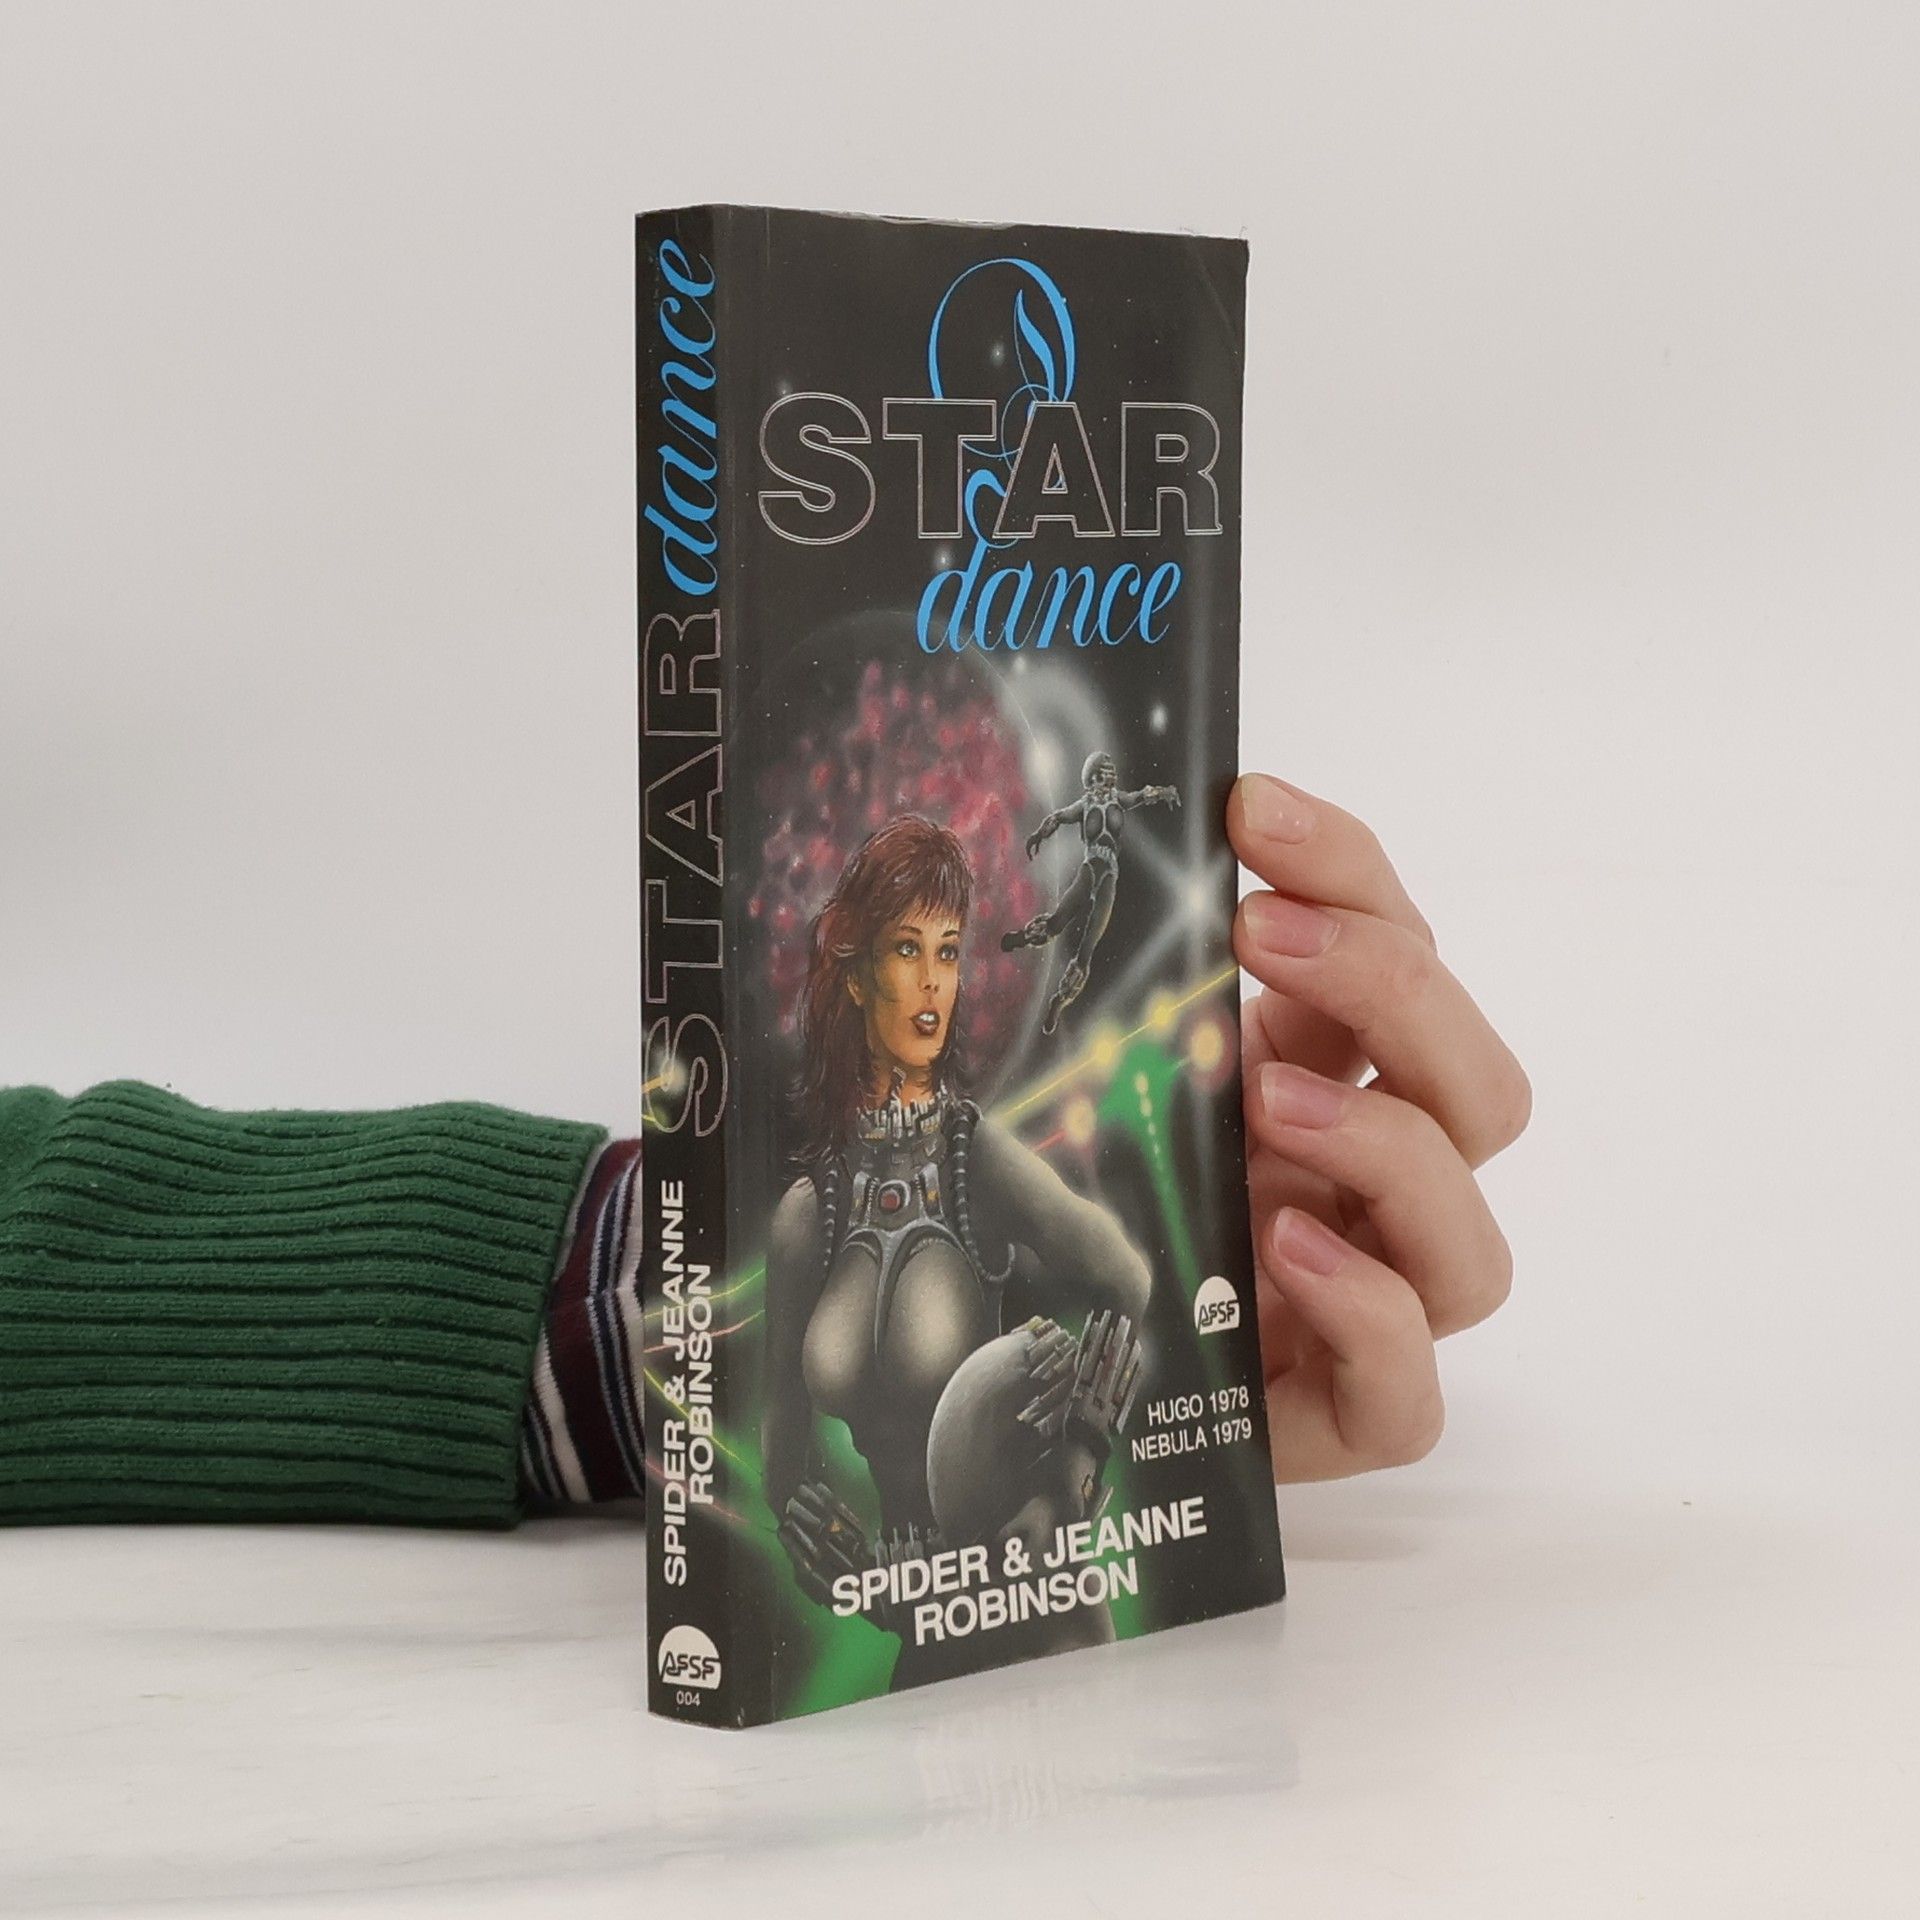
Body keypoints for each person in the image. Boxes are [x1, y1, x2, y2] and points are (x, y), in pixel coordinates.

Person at [0, 773, 1528, 1528]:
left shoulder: (974, 1158)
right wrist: (784, 1518)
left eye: (953, 951)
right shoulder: (802, 1219)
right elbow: (780, 1471)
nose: (934, 985)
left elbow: (1127, 1280)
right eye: (906, 950)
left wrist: (1129, 1393)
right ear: (851, 968)